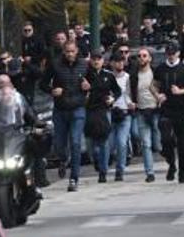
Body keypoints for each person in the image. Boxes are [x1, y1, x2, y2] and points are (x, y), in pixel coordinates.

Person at [44, 41, 90, 191]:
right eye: (67, 51)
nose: (70, 54)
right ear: (63, 52)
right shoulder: (55, 64)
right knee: (59, 144)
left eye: (72, 51)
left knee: (76, 142)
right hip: (60, 109)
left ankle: (74, 179)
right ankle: (63, 159)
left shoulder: (84, 65)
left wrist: (88, 87)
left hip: (78, 108)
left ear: (76, 51)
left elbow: (93, 82)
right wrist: (52, 90)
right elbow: (43, 84)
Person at [154, 41, 184, 182]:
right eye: (169, 53)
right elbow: (153, 85)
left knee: (182, 143)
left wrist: (181, 91)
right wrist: (157, 95)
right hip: (166, 109)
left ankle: (182, 172)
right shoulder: (161, 68)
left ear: (178, 53)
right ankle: (171, 164)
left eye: (173, 53)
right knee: (166, 139)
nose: (171, 56)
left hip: (182, 109)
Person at [84, 49, 120, 183]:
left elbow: (117, 90)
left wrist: (112, 98)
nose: (96, 61)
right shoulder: (85, 75)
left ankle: (103, 171)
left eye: (98, 59)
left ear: (103, 61)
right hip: (88, 110)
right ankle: (96, 159)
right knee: (91, 142)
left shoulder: (108, 75)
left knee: (104, 141)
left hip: (104, 110)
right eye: (94, 59)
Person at [130, 47, 162, 182]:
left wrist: (161, 99)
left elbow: (162, 88)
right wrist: (132, 103)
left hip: (155, 110)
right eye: (139, 56)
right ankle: (149, 172)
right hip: (141, 111)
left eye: (144, 55)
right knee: (146, 143)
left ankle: (167, 157)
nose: (141, 58)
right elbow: (130, 92)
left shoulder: (156, 73)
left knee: (159, 144)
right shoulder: (134, 76)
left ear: (150, 58)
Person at [107, 52, 132, 181]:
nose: (120, 63)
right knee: (110, 144)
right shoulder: (107, 76)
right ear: (111, 63)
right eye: (117, 61)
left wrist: (131, 103)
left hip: (124, 112)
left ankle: (120, 170)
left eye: (122, 61)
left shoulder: (128, 77)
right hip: (109, 112)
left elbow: (129, 94)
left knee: (122, 142)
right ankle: (105, 166)